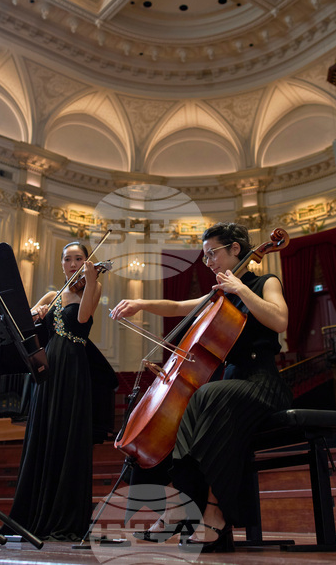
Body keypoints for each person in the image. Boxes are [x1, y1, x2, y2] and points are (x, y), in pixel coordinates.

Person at [109, 222, 292, 553]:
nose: (208, 262)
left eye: (212, 254)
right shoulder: (217, 294)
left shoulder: (266, 282)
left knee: (207, 396)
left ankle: (215, 510)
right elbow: (180, 308)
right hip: (230, 385)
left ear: (235, 249)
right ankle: (179, 504)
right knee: (192, 403)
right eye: (204, 256)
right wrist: (140, 303)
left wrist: (243, 290)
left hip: (263, 383)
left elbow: (279, 320)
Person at [8, 241, 103, 540]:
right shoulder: (53, 295)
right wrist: (35, 314)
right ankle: (34, 513)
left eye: (79, 259)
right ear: (61, 264)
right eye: (67, 259)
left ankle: (65, 518)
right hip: (49, 369)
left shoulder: (93, 288)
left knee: (68, 436)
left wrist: (91, 280)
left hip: (74, 368)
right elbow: (21, 324)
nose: (72, 264)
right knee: (44, 435)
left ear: (87, 262)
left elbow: (83, 317)